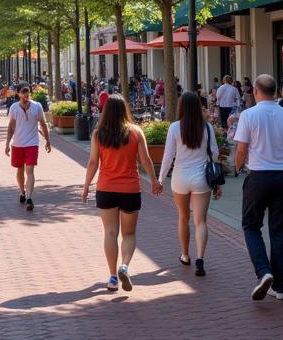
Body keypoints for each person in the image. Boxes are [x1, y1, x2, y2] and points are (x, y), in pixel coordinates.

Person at [234, 74, 283, 301]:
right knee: (280, 231)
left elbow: (242, 149)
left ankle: (263, 271)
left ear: (255, 90)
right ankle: (280, 287)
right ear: (275, 92)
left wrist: (238, 166)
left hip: (258, 176)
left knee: (251, 226)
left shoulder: (248, 115)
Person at [81, 94, 161, 291]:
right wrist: (154, 181)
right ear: (125, 109)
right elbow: (146, 160)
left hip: (106, 188)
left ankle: (112, 277)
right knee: (129, 234)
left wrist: (85, 187)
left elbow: (93, 162)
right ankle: (124, 266)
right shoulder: (135, 132)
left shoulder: (98, 133)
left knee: (110, 232)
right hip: (130, 189)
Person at [156, 91, 222, 276]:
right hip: (202, 178)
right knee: (201, 221)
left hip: (180, 177)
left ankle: (185, 255)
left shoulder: (175, 128)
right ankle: (200, 260)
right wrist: (218, 184)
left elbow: (168, 156)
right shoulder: (207, 128)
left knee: (183, 218)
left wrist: (160, 179)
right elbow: (215, 155)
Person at [5, 82, 52, 212]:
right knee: (19, 171)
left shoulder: (37, 106)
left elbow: (43, 123)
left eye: (28, 91)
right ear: (18, 94)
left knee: (30, 170)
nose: (26, 94)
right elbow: (11, 127)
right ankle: (22, 192)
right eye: (23, 92)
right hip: (18, 144)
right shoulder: (14, 108)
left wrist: (48, 140)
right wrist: (7, 143)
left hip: (32, 143)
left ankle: (30, 197)